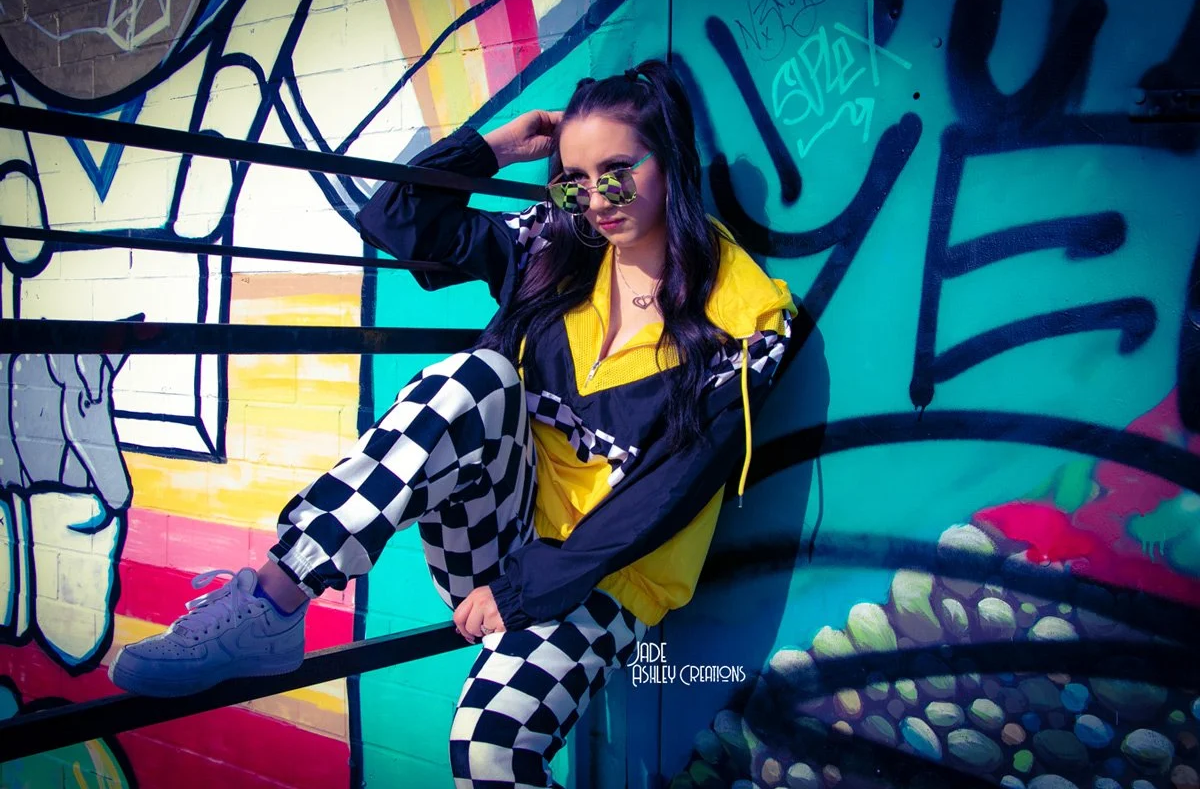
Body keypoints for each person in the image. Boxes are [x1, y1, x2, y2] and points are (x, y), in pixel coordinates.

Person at [109, 58, 798, 787]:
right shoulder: (555, 249)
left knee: (490, 747)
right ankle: (273, 603)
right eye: (575, 181)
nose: (597, 200)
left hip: (609, 578)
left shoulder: (743, 322)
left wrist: (525, 591)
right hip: (499, 536)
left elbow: (669, 490)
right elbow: (396, 220)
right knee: (479, 376)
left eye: (619, 172)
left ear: (673, 160)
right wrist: (497, 147)